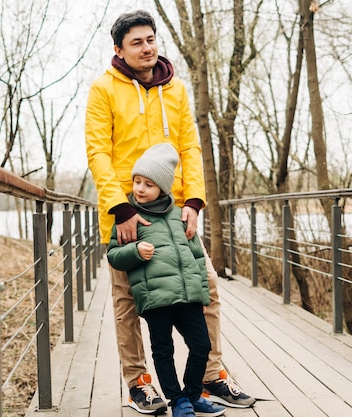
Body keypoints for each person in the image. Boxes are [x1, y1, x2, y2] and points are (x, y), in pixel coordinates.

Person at [85, 9, 256, 415]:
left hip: (176, 214)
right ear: (119, 50)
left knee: (207, 290)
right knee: (128, 302)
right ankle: (138, 383)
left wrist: (194, 202)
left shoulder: (175, 90)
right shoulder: (103, 90)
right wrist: (120, 208)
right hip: (126, 217)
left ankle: (211, 376)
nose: (146, 48)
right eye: (136, 42)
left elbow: (191, 149)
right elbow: (99, 153)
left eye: (150, 39)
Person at [107, 143, 226, 417]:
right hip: (156, 298)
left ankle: (193, 394)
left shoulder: (180, 215)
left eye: (148, 184)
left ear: (162, 188)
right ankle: (177, 400)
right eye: (137, 181)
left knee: (202, 346)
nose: (139, 188)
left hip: (188, 298)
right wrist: (135, 251)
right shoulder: (128, 218)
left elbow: (196, 258)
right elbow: (114, 255)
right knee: (164, 351)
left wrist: (202, 297)